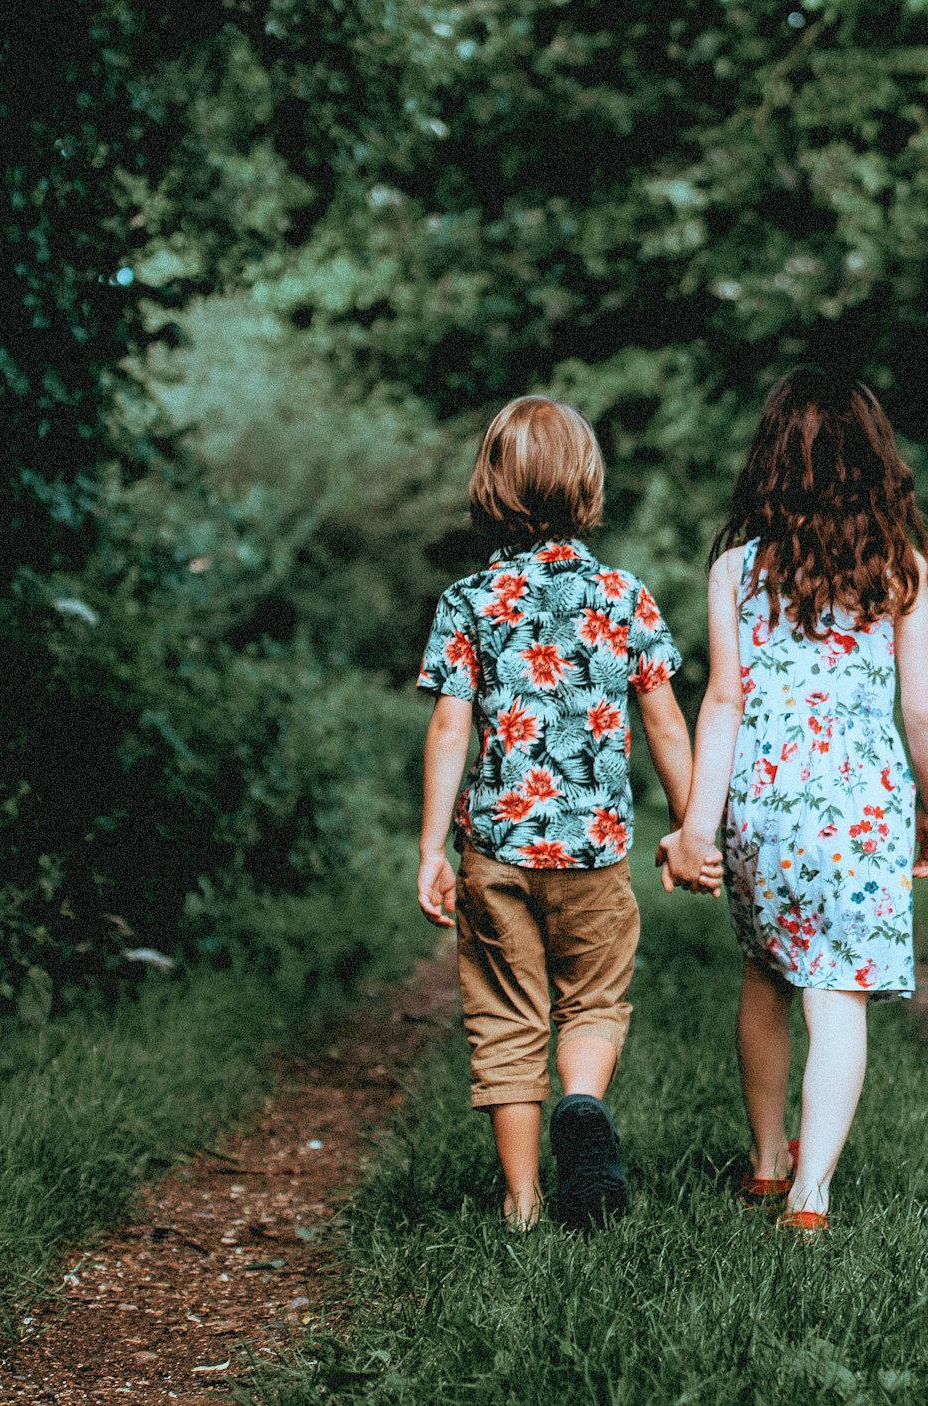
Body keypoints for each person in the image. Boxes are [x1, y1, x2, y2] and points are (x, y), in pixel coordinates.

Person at [663, 368, 928, 1237]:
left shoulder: (737, 572)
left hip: (763, 804)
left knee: (767, 975)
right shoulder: (901, 566)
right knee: (838, 995)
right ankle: (810, 1194)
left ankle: (763, 1162)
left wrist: (697, 829)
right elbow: (923, 706)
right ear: (876, 463)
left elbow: (722, 702)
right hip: (862, 805)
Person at [415, 395, 694, 1233]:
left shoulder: (469, 600)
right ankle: (581, 1102)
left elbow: (449, 725)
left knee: (504, 1019)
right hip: (595, 850)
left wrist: (432, 847)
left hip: (496, 851)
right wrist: (690, 828)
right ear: (588, 482)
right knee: (593, 1003)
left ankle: (524, 1202)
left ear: (490, 485)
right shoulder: (623, 595)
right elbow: (666, 720)